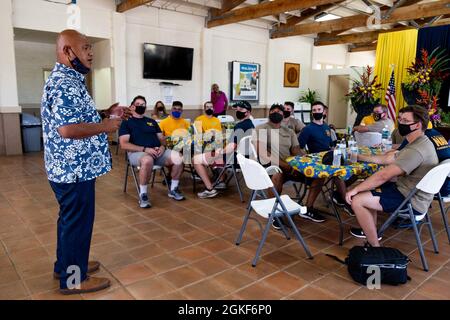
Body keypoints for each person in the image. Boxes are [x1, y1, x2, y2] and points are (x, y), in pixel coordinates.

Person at [42, 29, 132, 294]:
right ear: (67, 51)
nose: (91, 53)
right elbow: (67, 129)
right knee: (77, 223)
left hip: (71, 168)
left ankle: (66, 265)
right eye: (85, 48)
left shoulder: (70, 80)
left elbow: (75, 117)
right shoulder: (65, 83)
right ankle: (73, 279)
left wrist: (106, 112)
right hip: (73, 170)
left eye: (91, 47)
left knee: (70, 220)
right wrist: (106, 125)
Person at [346, 105, 439, 245]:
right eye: (399, 119)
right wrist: (358, 156)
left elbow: (384, 175)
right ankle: (372, 233)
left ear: (417, 125)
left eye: (405, 121)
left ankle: (374, 247)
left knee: (358, 200)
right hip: (410, 192)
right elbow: (388, 159)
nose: (400, 123)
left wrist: (355, 189)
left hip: (411, 201)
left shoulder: (416, 149)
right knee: (366, 188)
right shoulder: (419, 141)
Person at [119, 96, 185, 208]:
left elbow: (162, 139)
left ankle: (173, 189)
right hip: (137, 153)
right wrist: (145, 149)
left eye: (143, 104)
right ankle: (143, 194)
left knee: (178, 157)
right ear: (132, 106)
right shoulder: (126, 122)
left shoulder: (151, 121)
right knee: (147, 160)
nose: (141, 106)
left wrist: (162, 148)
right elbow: (124, 144)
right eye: (138, 104)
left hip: (157, 152)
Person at [194, 101, 255, 198]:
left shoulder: (240, 126)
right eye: (237, 109)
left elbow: (231, 147)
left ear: (247, 112)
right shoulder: (250, 124)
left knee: (196, 159)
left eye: (241, 109)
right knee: (214, 152)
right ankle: (221, 181)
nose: (238, 111)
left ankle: (210, 189)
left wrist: (220, 151)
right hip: (245, 158)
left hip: (234, 159)